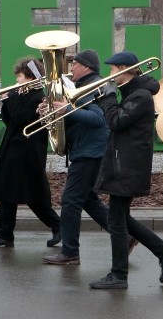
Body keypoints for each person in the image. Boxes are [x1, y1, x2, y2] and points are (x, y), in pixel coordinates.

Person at [89, 51, 163, 289]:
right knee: (119, 217)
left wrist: (107, 97)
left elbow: (116, 122)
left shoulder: (140, 96)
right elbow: (118, 119)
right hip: (124, 162)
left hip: (127, 165)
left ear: (123, 69)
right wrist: (105, 99)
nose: (110, 75)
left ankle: (119, 275)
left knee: (117, 220)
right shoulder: (133, 93)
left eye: (112, 70)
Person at [0, 57, 62, 248]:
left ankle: (59, 226)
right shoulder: (21, 95)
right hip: (14, 148)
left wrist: (10, 99)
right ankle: (5, 234)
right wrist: (6, 103)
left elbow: (22, 118)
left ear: (29, 77)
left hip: (27, 151)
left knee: (32, 195)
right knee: (7, 192)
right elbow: (10, 121)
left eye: (20, 76)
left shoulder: (38, 97)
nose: (17, 80)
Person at [41, 49, 111, 265]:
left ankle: (70, 252)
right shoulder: (79, 87)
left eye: (75, 65)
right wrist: (49, 110)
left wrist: (66, 111)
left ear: (87, 67)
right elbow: (76, 114)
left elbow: (99, 119)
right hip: (86, 148)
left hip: (90, 151)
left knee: (70, 201)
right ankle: (125, 235)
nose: (71, 68)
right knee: (88, 199)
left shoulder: (94, 86)